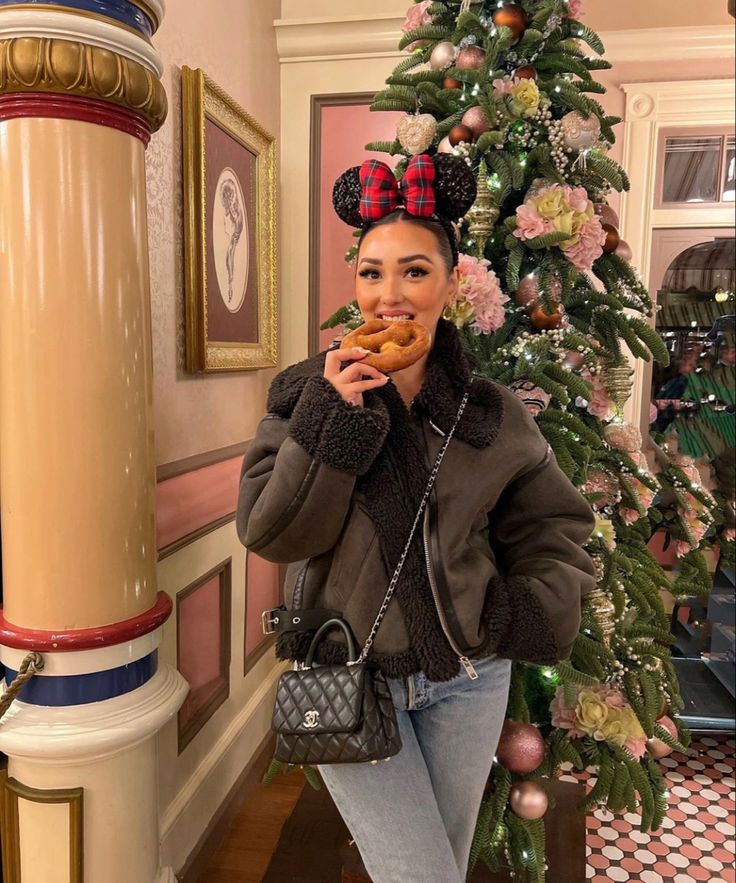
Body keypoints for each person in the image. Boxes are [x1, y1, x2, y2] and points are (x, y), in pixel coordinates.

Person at [236, 154, 597, 883]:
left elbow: (555, 528)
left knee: (442, 867)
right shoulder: (307, 394)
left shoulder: (490, 411)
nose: (389, 295)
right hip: (348, 677)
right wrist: (331, 422)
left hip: (469, 677)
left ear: (451, 281)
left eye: (413, 271)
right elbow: (272, 534)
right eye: (371, 272)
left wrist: (513, 612)